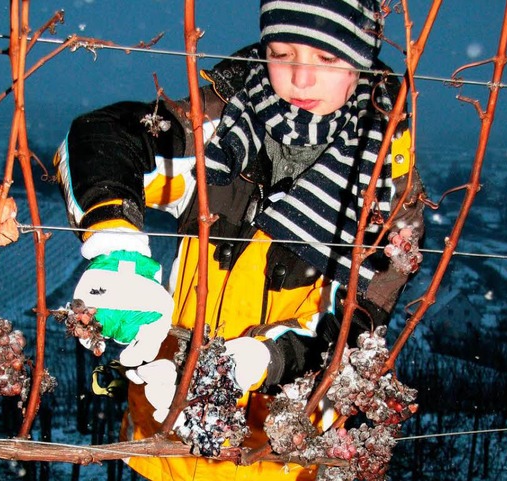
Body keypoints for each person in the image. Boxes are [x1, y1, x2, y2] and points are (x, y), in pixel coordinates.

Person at [54, 0, 425, 480]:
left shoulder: (383, 185)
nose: (301, 78)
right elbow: (100, 139)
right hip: (165, 434)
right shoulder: (221, 130)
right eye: (282, 51)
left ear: (362, 59)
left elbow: (359, 322)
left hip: (277, 460)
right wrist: (115, 244)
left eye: (327, 59)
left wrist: (263, 361)